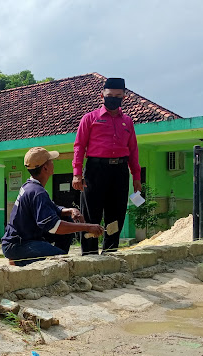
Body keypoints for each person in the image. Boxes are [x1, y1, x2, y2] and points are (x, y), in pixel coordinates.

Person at [72, 77, 142, 255]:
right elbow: (79, 146)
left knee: (116, 214)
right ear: (101, 95)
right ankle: (89, 256)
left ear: (124, 97)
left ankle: (110, 254)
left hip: (119, 171)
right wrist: (76, 174)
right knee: (90, 214)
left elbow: (133, 150)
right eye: (110, 95)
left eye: (118, 96)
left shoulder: (128, 121)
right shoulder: (90, 119)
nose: (113, 99)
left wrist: (137, 177)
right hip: (95, 170)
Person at [2, 147, 104, 266]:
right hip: (18, 244)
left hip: (24, 239)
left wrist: (70, 210)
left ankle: (55, 254)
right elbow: (54, 227)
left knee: (66, 219)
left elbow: (53, 209)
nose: (53, 163)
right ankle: (20, 261)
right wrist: (87, 227)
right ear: (45, 168)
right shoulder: (37, 192)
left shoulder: (31, 187)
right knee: (61, 261)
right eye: (50, 161)